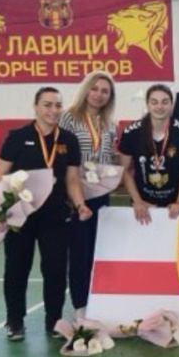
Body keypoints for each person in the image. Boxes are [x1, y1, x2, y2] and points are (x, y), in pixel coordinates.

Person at [0, 88, 92, 341]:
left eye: (58, 105)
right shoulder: (17, 137)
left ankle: (54, 321)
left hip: (55, 216)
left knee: (55, 270)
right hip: (21, 216)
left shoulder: (69, 140)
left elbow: (72, 179)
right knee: (17, 269)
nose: (53, 110)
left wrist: (80, 204)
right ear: (36, 106)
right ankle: (14, 321)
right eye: (47, 105)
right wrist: (5, 209)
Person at [59, 70, 117, 319]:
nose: (99, 95)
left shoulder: (110, 123)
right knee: (79, 251)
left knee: (96, 249)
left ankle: (97, 301)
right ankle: (80, 305)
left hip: (100, 195)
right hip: (76, 195)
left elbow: (108, 158)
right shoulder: (69, 118)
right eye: (94, 89)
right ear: (86, 90)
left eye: (105, 91)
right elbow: (59, 155)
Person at [118, 85, 179, 224]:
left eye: (165, 102)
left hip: (174, 204)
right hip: (143, 203)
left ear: (171, 104)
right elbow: (125, 170)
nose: (159, 107)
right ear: (147, 104)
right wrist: (137, 201)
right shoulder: (131, 132)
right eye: (154, 102)